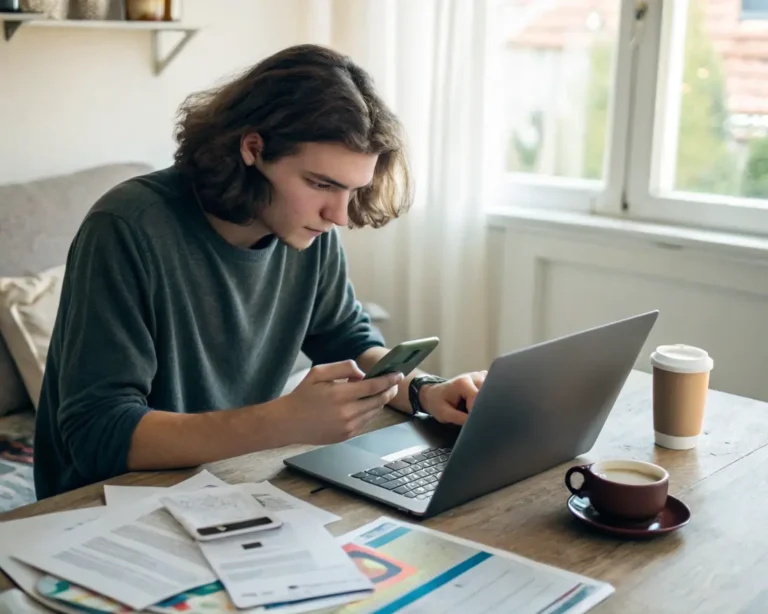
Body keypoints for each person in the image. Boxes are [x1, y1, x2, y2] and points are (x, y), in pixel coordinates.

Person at [33, 44, 487, 500]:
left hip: (225, 487)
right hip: (103, 505)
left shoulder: (306, 230)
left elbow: (347, 340)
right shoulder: (128, 227)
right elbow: (98, 436)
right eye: (320, 184)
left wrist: (427, 393)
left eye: (352, 190)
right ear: (253, 148)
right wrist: (282, 421)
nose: (339, 215)